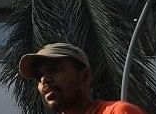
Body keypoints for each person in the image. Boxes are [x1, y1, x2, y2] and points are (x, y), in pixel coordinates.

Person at [19, 43, 147, 114]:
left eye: (55, 69)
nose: (44, 80)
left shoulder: (118, 112)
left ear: (84, 76)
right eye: (39, 76)